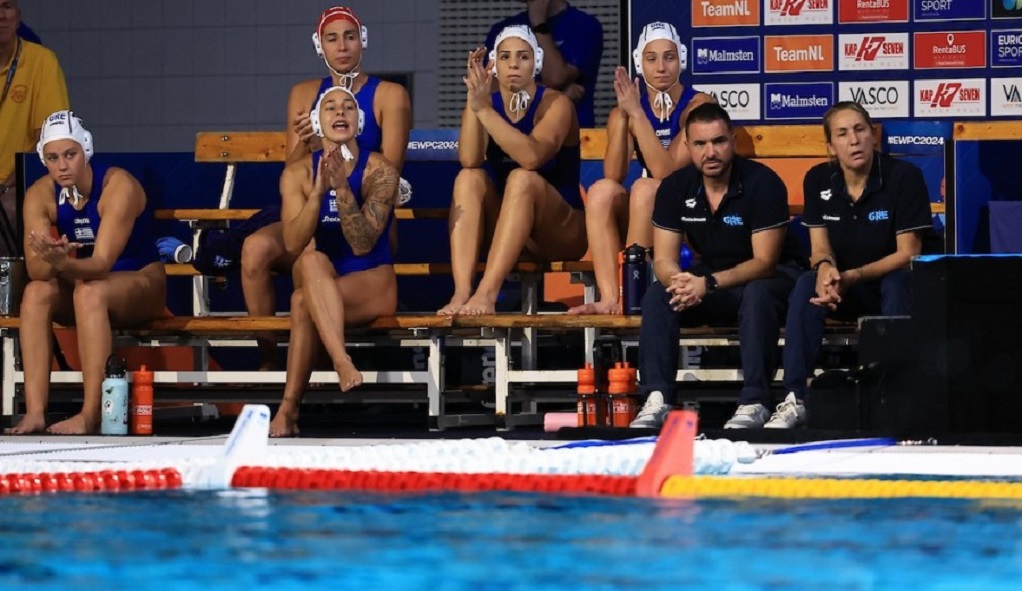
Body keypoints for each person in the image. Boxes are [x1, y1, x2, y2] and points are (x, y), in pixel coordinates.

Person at [241, 5, 410, 370]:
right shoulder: (304, 94)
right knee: (256, 248)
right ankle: (268, 359)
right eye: (332, 39)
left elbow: (389, 173)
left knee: (312, 257)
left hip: (363, 213)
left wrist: (330, 148)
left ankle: (316, 363)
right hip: (317, 210)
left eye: (350, 37)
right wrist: (311, 144)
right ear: (320, 46)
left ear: (362, 41)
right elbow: (293, 170)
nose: (342, 46)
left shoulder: (389, 95)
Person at [628, 102, 806, 430]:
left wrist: (706, 284)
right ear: (687, 146)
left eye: (719, 141)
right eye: (700, 143)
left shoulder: (762, 183)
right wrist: (680, 284)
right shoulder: (675, 187)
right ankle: (657, 398)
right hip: (712, 281)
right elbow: (664, 260)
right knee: (658, 295)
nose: (710, 152)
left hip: (775, 276)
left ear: (733, 142)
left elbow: (764, 262)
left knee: (758, 293)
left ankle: (755, 401)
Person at [770, 102, 934, 429]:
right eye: (842, 134)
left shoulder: (904, 177)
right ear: (831, 146)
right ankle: (795, 397)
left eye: (860, 130)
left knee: (898, 282)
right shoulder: (818, 179)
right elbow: (818, 248)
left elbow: (908, 254)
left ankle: (893, 394)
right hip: (842, 288)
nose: (854, 140)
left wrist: (852, 275)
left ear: (873, 136)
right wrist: (825, 269)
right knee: (806, 285)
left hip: (889, 284)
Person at [8, 110, 165, 435]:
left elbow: (101, 264)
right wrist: (53, 258)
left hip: (141, 284)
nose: (62, 166)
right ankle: (35, 412)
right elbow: (37, 271)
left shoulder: (117, 186)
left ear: (86, 150)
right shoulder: (40, 194)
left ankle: (92, 412)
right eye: (53, 158)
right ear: (44, 160)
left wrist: (62, 262)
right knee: (36, 293)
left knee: (90, 292)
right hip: (85, 284)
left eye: (70, 155)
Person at [267, 86, 399, 438]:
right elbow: (292, 243)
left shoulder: (380, 170)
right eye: (330, 107)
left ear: (359, 121)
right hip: (324, 279)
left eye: (348, 107)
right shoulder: (297, 174)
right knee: (309, 263)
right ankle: (341, 361)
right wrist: (317, 193)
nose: (340, 112)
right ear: (317, 121)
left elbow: (362, 245)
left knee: (302, 301)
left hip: (372, 280)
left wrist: (341, 188)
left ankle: (289, 408)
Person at [438, 25, 587, 316]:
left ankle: (486, 294)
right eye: (505, 57)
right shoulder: (486, 104)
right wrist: (474, 102)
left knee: (522, 179)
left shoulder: (556, 103)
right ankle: (462, 291)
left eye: (523, 56)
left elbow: (532, 157)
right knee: (468, 178)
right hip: (508, 231)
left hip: (559, 231)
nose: (514, 64)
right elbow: (469, 159)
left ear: (537, 62)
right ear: (494, 64)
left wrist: (484, 112)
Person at [568, 22, 713, 315]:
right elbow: (614, 174)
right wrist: (623, 116)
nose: (661, 67)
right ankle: (611, 297)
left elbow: (666, 173)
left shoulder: (697, 105)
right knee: (601, 191)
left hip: (694, 211)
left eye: (669, 57)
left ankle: (634, 293)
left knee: (647, 188)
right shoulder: (631, 109)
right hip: (651, 213)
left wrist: (637, 115)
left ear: (681, 60)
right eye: (651, 58)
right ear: (639, 63)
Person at [0, 0, 70, 251]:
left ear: (18, 17)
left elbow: (51, 138)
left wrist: (7, 185)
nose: (1, 16)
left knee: (9, 207)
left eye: (6, 7)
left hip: (18, 183)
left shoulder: (41, 61)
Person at [486, 0, 602, 128]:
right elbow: (490, 90)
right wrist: (556, 97)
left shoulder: (585, 26)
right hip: (513, 132)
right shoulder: (503, 30)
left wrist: (538, 23)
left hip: (570, 133)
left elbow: (556, 77)